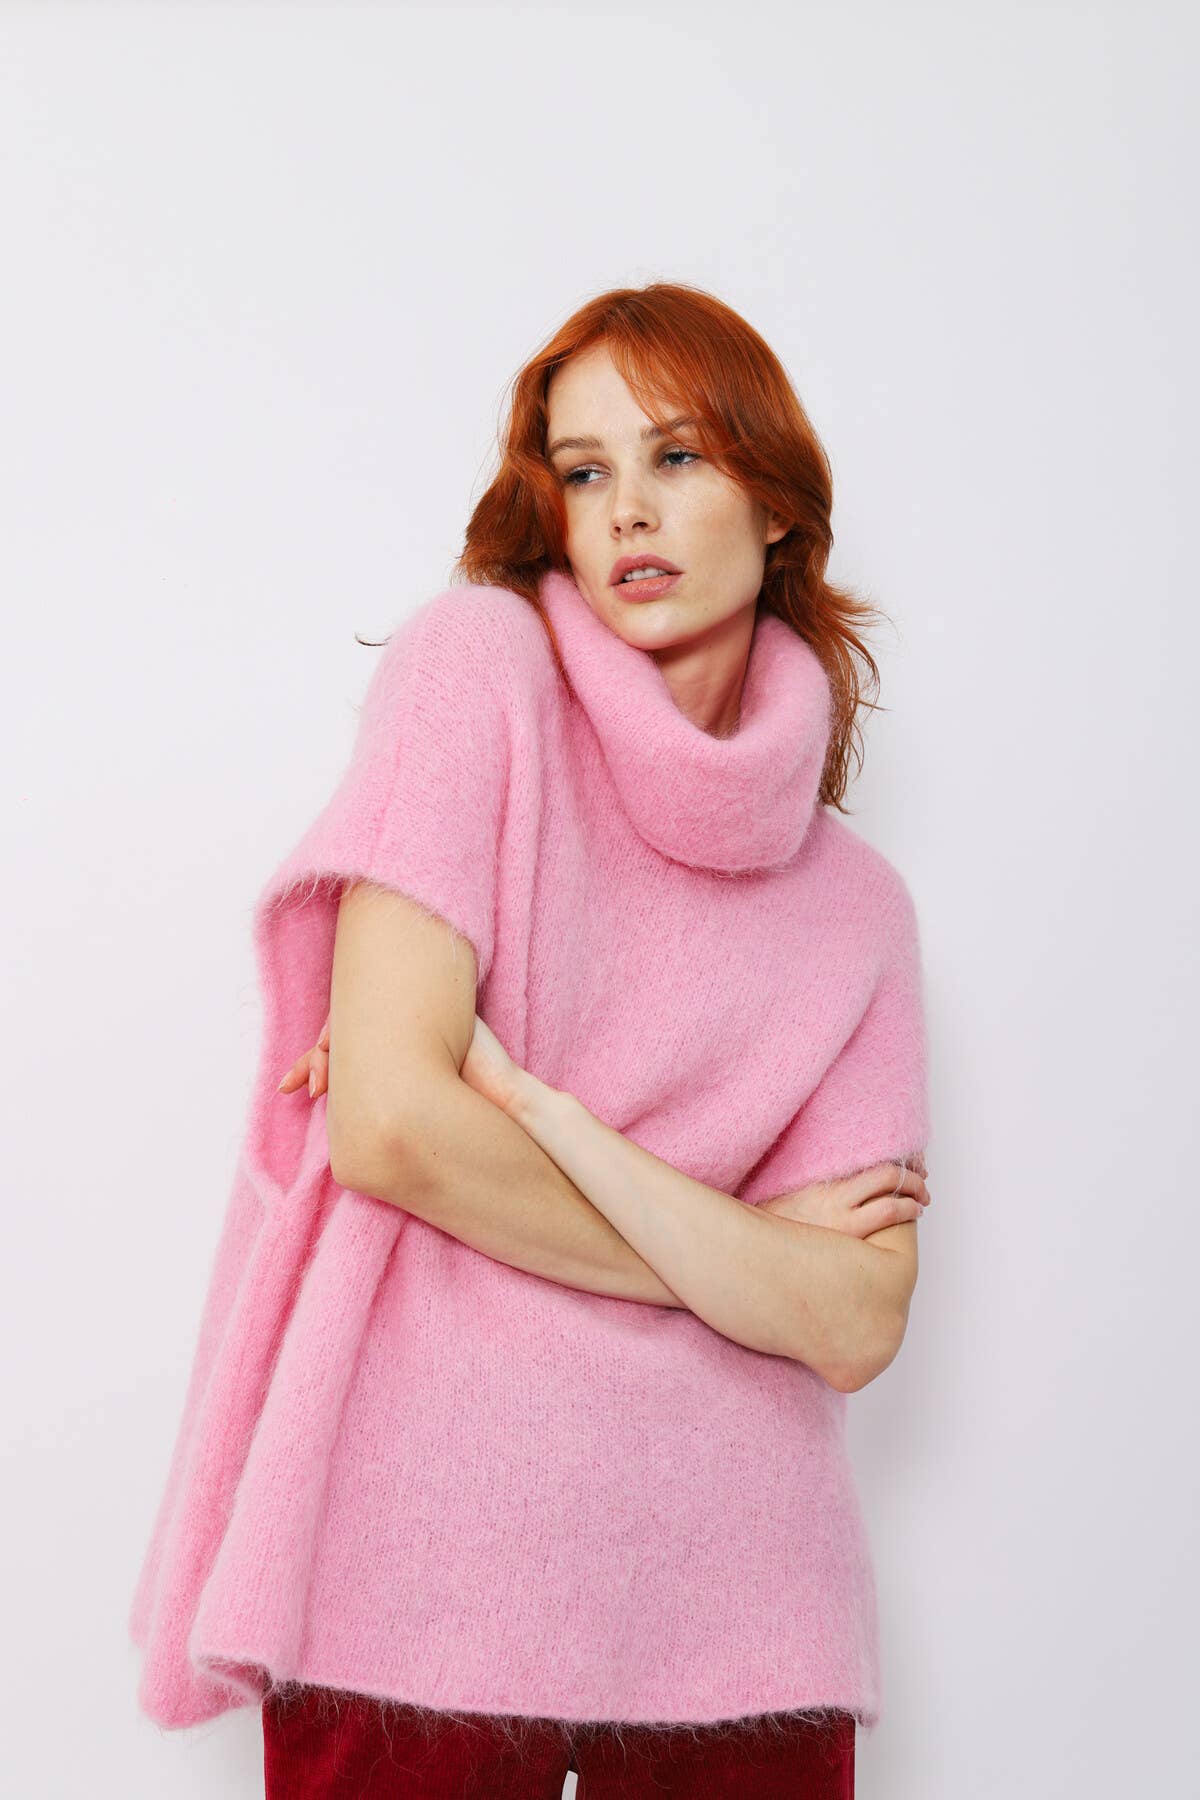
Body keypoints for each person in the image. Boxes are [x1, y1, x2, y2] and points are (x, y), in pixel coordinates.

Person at [129, 281, 932, 1798]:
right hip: (417, 1563)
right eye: (583, 468)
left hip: (743, 1602)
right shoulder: (476, 672)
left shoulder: (859, 909)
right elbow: (388, 1126)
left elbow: (857, 1324)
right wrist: (742, 1261)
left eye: (678, 456)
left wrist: (542, 1117)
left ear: (777, 501)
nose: (627, 508)